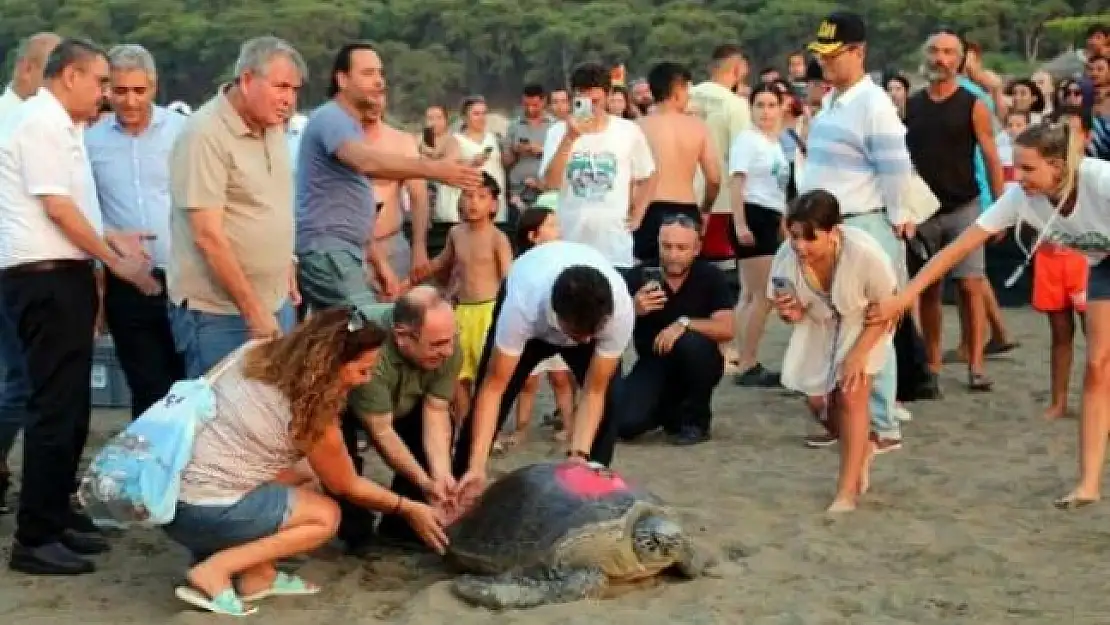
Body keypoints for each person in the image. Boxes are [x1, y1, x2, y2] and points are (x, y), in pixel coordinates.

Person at [866, 121, 1110, 509]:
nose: (1019, 177)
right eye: (1016, 168)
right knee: (1097, 366)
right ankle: (1088, 484)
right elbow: (956, 250)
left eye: (1028, 169)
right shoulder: (1020, 198)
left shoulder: (1101, 181)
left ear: (1058, 167)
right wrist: (904, 297)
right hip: (1103, 266)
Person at [165, 308, 447, 616]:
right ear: (328, 365)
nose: (365, 381)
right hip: (201, 510)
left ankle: (259, 576)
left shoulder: (256, 351)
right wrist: (408, 507)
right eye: (361, 370)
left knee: (308, 473)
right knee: (325, 516)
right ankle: (215, 570)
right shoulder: (313, 415)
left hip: (169, 492)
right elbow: (348, 485)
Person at [0, 38, 161, 576]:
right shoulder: (41, 124)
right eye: (100, 83)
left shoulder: (61, 126)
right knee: (53, 408)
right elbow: (59, 210)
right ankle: (35, 537)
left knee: (71, 410)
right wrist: (113, 262)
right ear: (69, 76)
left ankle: (56, 517)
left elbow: (75, 213)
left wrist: (113, 237)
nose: (107, 96)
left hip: (61, 274)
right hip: (42, 278)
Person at [451, 240, 634, 508]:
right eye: (576, 335)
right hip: (530, 307)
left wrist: (578, 454)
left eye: (589, 336)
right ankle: (463, 482)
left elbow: (594, 390)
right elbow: (494, 388)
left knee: (611, 399)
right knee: (489, 394)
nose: (583, 343)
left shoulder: (618, 311)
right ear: (557, 317)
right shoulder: (523, 305)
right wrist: (478, 466)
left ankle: (589, 492)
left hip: (584, 315)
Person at [771, 190, 897, 512]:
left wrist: (859, 355)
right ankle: (863, 446)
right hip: (819, 323)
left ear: (833, 231)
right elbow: (790, 310)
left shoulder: (865, 254)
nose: (800, 246)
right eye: (795, 235)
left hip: (865, 321)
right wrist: (789, 313)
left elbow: (888, 307)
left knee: (852, 396)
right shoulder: (787, 256)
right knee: (817, 403)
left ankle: (846, 491)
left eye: (810, 238)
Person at [345, 286, 461, 548]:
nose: (449, 350)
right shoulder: (370, 350)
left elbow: (436, 410)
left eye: (453, 338)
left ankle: (402, 528)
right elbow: (381, 430)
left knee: (433, 438)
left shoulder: (447, 343)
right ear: (402, 337)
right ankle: (357, 534)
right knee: (346, 484)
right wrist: (423, 480)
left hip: (404, 399)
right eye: (438, 344)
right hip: (345, 407)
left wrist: (440, 476)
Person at [616, 215, 734, 444]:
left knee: (691, 342)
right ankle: (666, 412)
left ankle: (697, 421)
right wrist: (633, 309)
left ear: (697, 248)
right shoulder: (637, 276)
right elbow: (609, 330)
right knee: (625, 425)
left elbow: (727, 328)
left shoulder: (710, 276)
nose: (673, 254)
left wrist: (684, 323)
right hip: (653, 361)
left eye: (682, 248)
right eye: (667, 246)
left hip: (699, 360)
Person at [540, 62, 656, 271]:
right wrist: (570, 138)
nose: (592, 107)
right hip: (570, 242)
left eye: (596, 101)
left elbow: (647, 175)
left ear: (609, 95)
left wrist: (638, 214)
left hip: (614, 247)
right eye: (584, 101)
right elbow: (550, 183)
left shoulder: (628, 131)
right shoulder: (557, 132)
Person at [421, 173, 513, 420]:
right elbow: (443, 262)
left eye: (482, 197)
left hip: (489, 311)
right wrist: (415, 274)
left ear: (493, 204)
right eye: (468, 195)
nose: (473, 203)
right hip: (460, 311)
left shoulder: (497, 238)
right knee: (458, 374)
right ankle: (463, 425)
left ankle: (488, 426)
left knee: (488, 375)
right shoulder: (455, 233)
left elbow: (508, 276)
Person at [494, 207, 576, 451]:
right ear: (533, 235)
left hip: (559, 326)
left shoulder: (564, 258)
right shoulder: (522, 265)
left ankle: (570, 427)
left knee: (561, 379)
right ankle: (521, 429)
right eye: (551, 225)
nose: (558, 230)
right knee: (528, 382)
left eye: (557, 224)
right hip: (533, 328)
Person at [728, 84, 790, 387]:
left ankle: (744, 357)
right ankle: (748, 360)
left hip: (769, 216)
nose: (765, 112)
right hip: (752, 214)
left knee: (750, 294)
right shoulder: (747, 141)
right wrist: (740, 223)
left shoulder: (773, 143)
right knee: (763, 295)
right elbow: (737, 183)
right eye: (759, 105)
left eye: (770, 105)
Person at [635, 61, 721, 265]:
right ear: (677, 91)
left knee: (649, 276)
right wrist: (706, 208)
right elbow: (714, 179)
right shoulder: (698, 127)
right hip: (686, 207)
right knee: (686, 276)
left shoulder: (638, 127)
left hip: (647, 209)